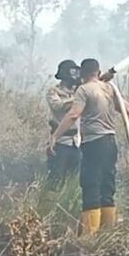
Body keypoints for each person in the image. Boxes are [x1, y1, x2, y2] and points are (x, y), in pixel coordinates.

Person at [47, 58, 129, 235]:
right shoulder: (108, 88)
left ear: (83, 74)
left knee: (90, 184)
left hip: (93, 143)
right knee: (107, 184)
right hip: (111, 142)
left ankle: (89, 236)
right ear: (98, 72)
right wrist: (104, 86)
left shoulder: (84, 90)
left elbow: (73, 115)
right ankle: (109, 232)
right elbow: (126, 109)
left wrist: (55, 136)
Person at [46, 60, 82, 188]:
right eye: (73, 72)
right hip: (60, 142)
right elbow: (58, 106)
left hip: (76, 142)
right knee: (56, 178)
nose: (76, 75)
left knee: (73, 181)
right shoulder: (53, 91)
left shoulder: (79, 91)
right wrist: (79, 97)